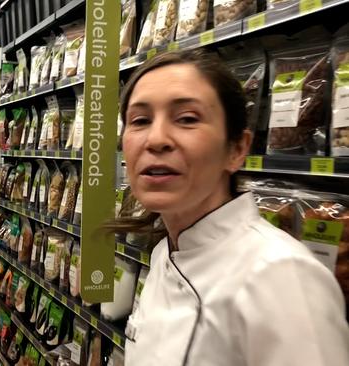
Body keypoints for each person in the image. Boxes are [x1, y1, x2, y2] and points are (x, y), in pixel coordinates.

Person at [115, 50, 349, 365]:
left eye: (187, 118)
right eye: (140, 120)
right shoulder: (162, 255)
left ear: (237, 149)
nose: (156, 139)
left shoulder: (281, 276)